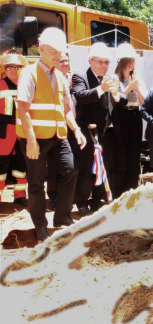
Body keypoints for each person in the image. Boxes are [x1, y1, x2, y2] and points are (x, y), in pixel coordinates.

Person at [16, 27, 86, 242]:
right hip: (34, 137)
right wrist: (30, 141)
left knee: (71, 170)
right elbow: (23, 109)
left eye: (61, 52)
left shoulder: (61, 77)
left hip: (57, 137)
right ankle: (40, 226)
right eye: (54, 51)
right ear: (42, 48)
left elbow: (64, 110)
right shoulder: (28, 74)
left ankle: (62, 218)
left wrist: (76, 129)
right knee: (36, 183)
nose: (59, 56)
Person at [71, 42, 127, 215]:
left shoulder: (110, 79)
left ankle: (97, 200)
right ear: (90, 61)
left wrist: (117, 93)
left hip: (106, 132)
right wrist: (100, 89)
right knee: (85, 166)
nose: (104, 66)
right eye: (100, 62)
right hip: (88, 131)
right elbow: (81, 97)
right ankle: (81, 202)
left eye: (107, 62)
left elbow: (123, 101)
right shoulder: (80, 76)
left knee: (103, 166)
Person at [113, 43, 147, 194]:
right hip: (121, 116)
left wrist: (136, 87)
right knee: (120, 156)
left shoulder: (137, 78)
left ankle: (131, 190)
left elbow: (144, 101)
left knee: (134, 155)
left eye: (133, 61)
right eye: (129, 61)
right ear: (122, 62)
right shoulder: (115, 79)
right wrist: (129, 86)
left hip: (135, 116)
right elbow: (116, 100)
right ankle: (118, 191)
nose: (132, 64)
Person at [0, 49, 28, 206]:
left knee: (21, 164)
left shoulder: (27, 85)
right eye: (10, 67)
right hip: (4, 131)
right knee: (1, 165)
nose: (14, 71)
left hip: (22, 130)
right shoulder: (0, 85)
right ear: (5, 69)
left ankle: (19, 195)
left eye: (17, 68)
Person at [47, 51, 75, 209]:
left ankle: (66, 198)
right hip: (56, 126)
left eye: (67, 61)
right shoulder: (52, 77)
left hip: (72, 126)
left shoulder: (73, 78)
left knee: (69, 165)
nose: (65, 64)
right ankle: (53, 196)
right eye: (62, 61)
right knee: (53, 165)